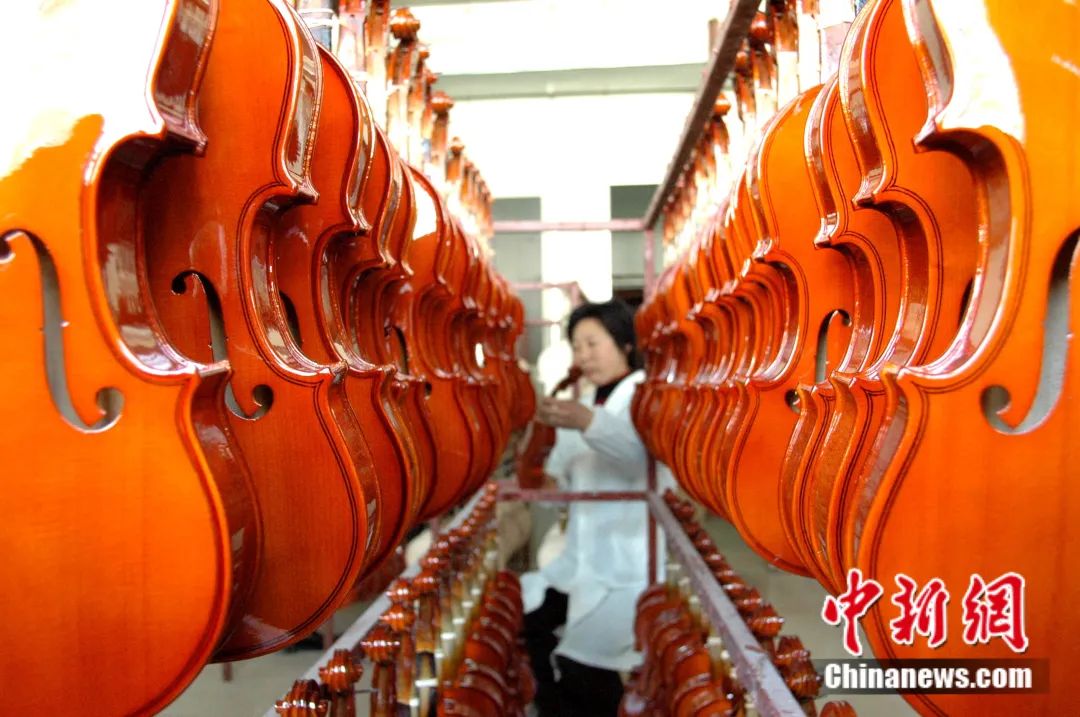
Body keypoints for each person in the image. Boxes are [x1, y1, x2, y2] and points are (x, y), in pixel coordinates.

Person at [520, 298, 658, 717]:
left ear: (625, 343)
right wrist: (540, 459)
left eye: (593, 344)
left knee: (588, 669)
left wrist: (586, 421)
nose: (583, 356)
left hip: (626, 565)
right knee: (526, 624)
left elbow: (639, 456)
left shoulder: (645, 394)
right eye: (577, 347)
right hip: (582, 557)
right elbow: (564, 473)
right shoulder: (586, 399)